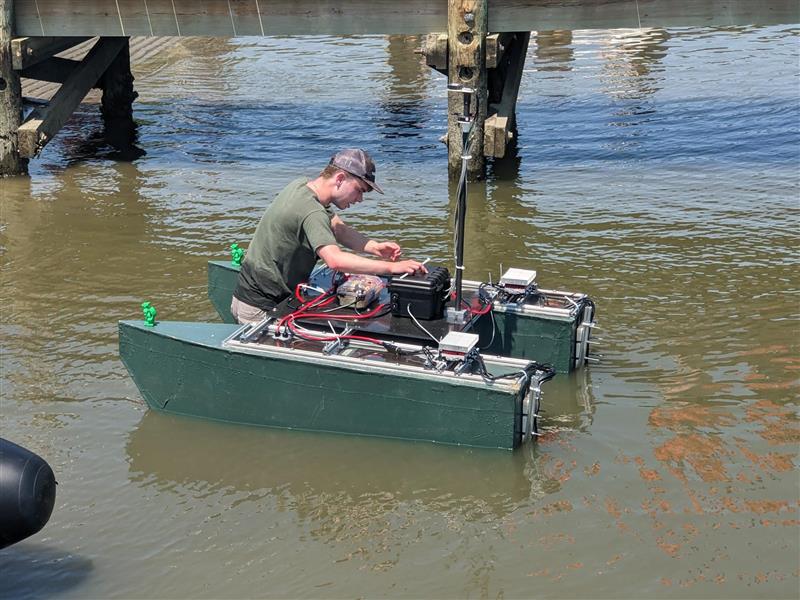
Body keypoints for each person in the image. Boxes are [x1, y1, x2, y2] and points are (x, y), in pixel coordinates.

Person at [231, 149, 427, 324]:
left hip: (254, 292)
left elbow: (337, 228)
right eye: (359, 190)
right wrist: (392, 267)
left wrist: (374, 247)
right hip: (260, 306)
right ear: (340, 178)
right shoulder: (311, 211)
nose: (360, 199)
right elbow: (334, 260)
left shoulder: (302, 186)